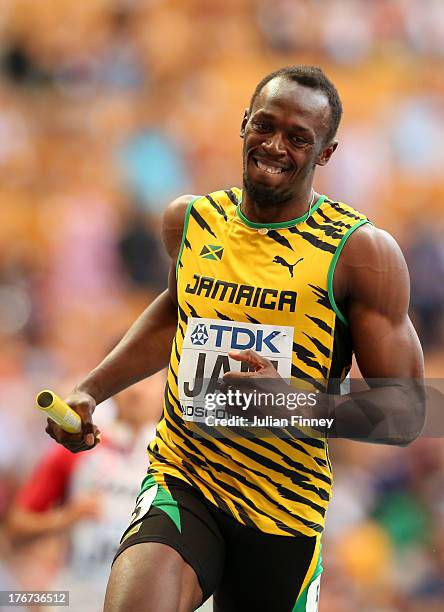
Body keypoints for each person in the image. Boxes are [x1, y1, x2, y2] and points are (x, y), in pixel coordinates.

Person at [45, 66, 425, 612]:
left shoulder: (361, 253)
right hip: (184, 478)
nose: (275, 146)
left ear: (326, 154)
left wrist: (294, 402)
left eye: (299, 138)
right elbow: (175, 311)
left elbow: (408, 412)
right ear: (243, 123)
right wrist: (91, 390)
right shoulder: (191, 221)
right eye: (265, 126)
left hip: (283, 509)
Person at [9, 376, 164, 611]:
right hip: (77, 598)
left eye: (149, 380)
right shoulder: (77, 446)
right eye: (131, 380)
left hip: (149, 601)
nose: (137, 391)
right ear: (113, 386)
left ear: (167, 386)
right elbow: (16, 527)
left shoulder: (178, 460)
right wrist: (66, 518)